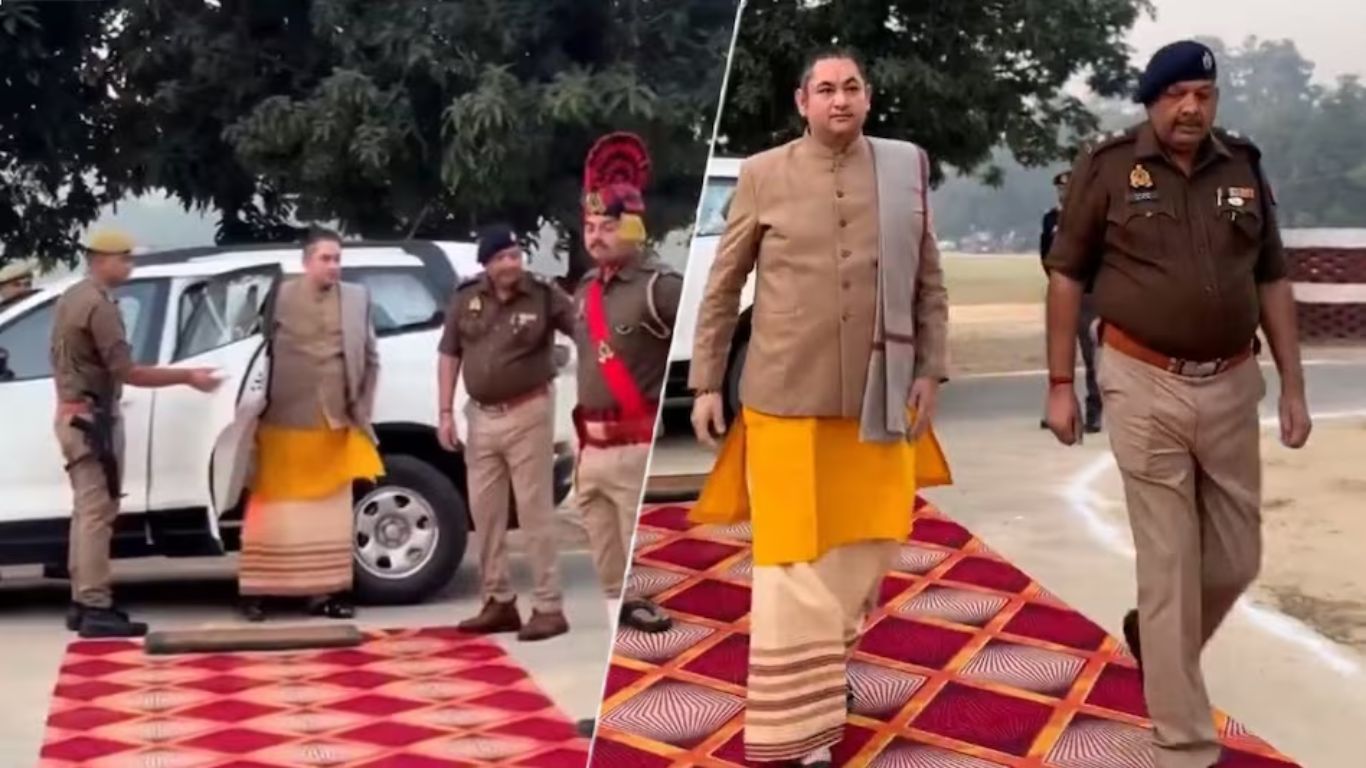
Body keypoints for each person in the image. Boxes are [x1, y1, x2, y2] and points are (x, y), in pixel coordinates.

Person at [1043, 41, 1311, 768]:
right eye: (1177, 95)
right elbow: (1066, 274)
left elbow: (1272, 277)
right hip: (1141, 379)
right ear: (1152, 100)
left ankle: (1157, 640)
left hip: (1231, 384)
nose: (1192, 108)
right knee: (1170, 564)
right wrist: (1062, 383)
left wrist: (1293, 384)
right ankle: (1184, 744)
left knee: (1236, 558)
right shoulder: (1107, 168)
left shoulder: (1242, 166)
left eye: (1204, 94)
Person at [688, 49, 952, 766]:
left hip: (879, 392)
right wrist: (707, 381)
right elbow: (724, 285)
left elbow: (929, 280)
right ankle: (798, 729)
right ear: (802, 101)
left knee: (868, 545)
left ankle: (823, 668)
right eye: (826, 89)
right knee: (791, 561)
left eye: (852, 87)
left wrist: (931, 368)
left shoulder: (902, 169)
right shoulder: (762, 174)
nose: (841, 99)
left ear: (868, 97)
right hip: (784, 399)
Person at [51, 230, 221, 638]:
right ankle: (95, 605)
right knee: (97, 515)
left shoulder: (72, 296)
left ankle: (82, 601)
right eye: (123, 258)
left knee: (86, 512)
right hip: (91, 421)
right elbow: (129, 372)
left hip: (74, 415)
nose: (130, 265)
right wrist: (188, 377)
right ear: (100, 260)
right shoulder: (99, 306)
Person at [237, 227, 384, 622]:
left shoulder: (356, 299)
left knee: (328, 516)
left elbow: (371, 358)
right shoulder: (278, 295)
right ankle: (258, 592)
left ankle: (326, 593)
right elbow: (250, 348)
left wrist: (362, 409)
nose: (334, 266)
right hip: (281, 421)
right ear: (306, 262)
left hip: (333, 422)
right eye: (326, 259)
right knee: (273, 513)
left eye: (338, 259)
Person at [437, 224, 573, 642]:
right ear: (487, 264)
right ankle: (498, 600)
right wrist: (445, 412)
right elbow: (449, 354)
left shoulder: (543, 294)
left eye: (515, 255)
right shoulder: (466, 297)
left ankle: (548, 607)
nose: (511, 263)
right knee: (486, 513)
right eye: (502, 258)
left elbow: (585, 330)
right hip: (481, 418)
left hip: (528, 411)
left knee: (534, 511)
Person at [572, 132, 681, 634]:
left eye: (608, 226)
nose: (596, 236)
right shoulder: (585, 290)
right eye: (590, 226)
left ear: (634, 227)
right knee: (606, 563)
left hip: (635, 447)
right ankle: (621, 619)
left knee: (633, 546)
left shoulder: (661, 287)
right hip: (590, 450)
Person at [1039, 169, 1101, 433]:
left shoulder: (1091, 217)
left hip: (1087, 294)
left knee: (1091, 356)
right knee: (1057, 355)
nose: (1064, 193)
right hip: (1060, 293)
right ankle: (1056, 408)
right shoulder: (1051, 219)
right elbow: (1045, 253)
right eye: (1060, 189)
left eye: (1068, 188)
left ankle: (1093, 412)